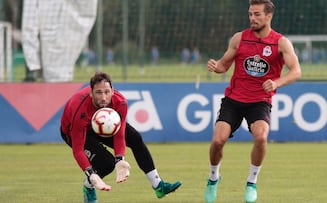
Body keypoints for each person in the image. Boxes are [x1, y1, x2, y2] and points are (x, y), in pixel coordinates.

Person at [204, 0, 301, 203]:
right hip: (234, 99)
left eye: (257, 14)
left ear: (269, 16)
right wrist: (215, 66)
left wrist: (276, 83)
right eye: (250, 14)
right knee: (217, 141)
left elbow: (296, 72)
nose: (252, 18)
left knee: (261, 137)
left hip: (259, 102)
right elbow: (224, 65)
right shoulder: (239, 38)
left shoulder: (281, 42)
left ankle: (251, 182)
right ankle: (213, 178)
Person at [60, 72, 182, 203]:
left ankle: (158, 185)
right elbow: (78, 150)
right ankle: (88, 187)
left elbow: (119, 135)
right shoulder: (81, 111)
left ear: (112, 91)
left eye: (107, 92)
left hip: (103, 127)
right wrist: (91, 174)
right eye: (98, 93)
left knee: (135, 138)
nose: (103, 97)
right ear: (91, 93)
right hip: (73, 132)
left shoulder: (120, 102)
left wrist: (120, 159)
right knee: (107, 164)